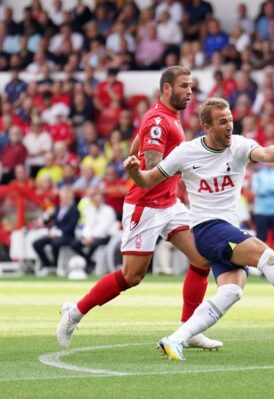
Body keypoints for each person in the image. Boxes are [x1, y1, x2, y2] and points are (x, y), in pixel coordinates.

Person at [124, 97, 274, 360]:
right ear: (207, 126)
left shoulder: (239, 145)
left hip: (227, 229)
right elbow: (149, 180)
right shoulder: (186, 152)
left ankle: (176, 339)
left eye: (230, 120)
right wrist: (135, 171)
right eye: (222, 122)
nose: (229, 126)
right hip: (206, 230)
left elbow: (264, 154)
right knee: (264, 255)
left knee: (232, 289)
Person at [57, 67, 221, 351]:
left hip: (170, 204)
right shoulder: (159, 119)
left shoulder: (165, 116)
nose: (190, 92)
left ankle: (189, 330)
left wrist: (137, 159)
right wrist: (191, 163)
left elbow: (138, 146)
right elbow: (155, 162)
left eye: (191, 86)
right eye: (184, 86)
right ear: (167, 88)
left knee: (201, 260)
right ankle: (75, 312)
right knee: (132, 276)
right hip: (145, 206)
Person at [69, 189, 116, 272]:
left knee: (93, 245)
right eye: (94, 198)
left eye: (97, 197)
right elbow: (87, 226)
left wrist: (92, 237)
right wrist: (87, 237)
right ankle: (89, 262)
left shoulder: (108, 210)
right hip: (90, 237)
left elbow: (103, 228)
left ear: (102, 198)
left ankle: (87, 265)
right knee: (74, 244)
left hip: (104, 237)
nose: (95, 200)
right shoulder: (90, 210)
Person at [33, 187, 79, 269]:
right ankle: (47, 264)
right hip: (54, 234)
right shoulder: (57, 208)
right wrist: (47, 214)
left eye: (65, 197)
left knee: (55, 243)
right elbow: (47, 221)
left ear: (70, 197)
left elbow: (71, 226)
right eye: (62, 197)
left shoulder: (75, 210)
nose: (63, 199)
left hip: (67, 236)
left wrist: (57, 233)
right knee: (37, 243)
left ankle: (55, 265)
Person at [251, 163, 274, 263]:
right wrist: (273, 187)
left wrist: (265, 187)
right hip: (261, 211)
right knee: (261, 240)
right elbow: (257, 190)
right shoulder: (257, 175)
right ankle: (263, 265)